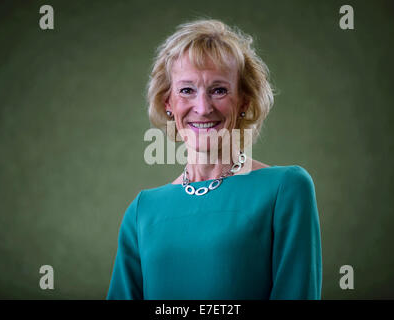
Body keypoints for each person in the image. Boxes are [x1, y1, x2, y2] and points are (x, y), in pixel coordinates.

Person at [107, 19, 322, 300]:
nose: (203, 107)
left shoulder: (286, 189)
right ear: (167, 104)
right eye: (186, 90)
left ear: (244, 101)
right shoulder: (142, 211)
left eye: (219, 90)